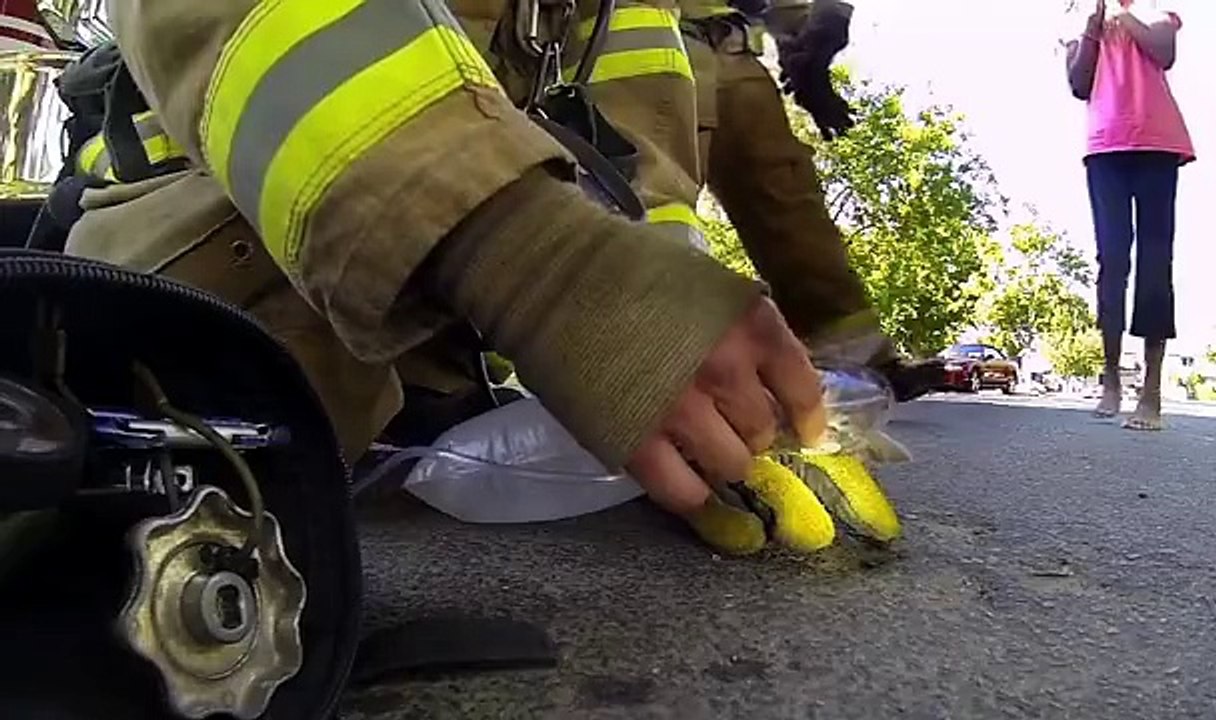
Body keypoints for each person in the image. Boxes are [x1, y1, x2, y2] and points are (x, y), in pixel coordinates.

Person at [65, 0, 831, 554]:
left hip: (421, 368)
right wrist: (536, 262)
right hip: (201, 281)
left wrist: (673, 367)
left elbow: (643, 183)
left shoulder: (637, 15)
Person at [680, 0, 946, 400]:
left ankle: (856, 361)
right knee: (651, 199)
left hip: (728, 47)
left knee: (784, 188)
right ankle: (650, 364)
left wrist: (811, 35)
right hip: (632, 34)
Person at [1064, 0, 1193, 430]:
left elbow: (1165, 52)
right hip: (1105, 147)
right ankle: (1112, 381)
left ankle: (1151, 392)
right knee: (1111, 259)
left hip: (1158, 143)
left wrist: (1122, 15)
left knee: (1156, 262)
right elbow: (1079, 83)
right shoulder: (1080, 17)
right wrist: (1092, 26)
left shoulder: (1155, 9)